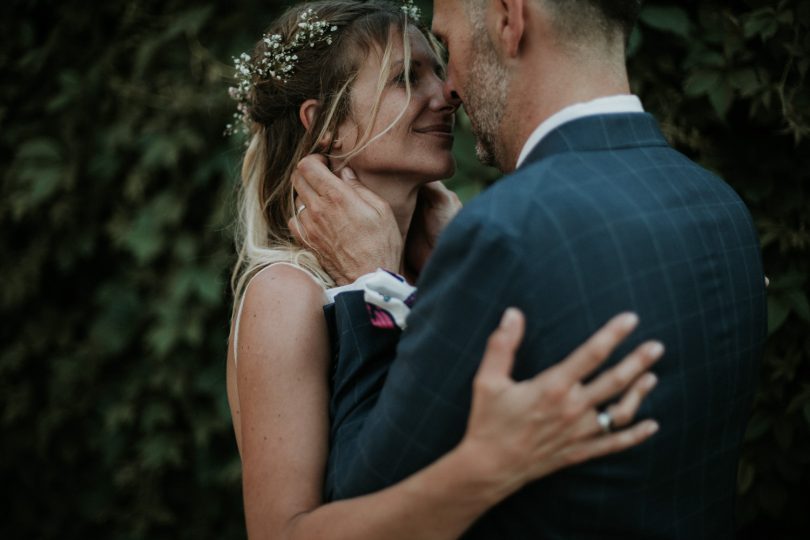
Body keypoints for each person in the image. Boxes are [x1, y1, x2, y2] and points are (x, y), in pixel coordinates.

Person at [291, 0, 768, 537]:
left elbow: (363, 493)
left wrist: (370, 284)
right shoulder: (721, 207)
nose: (450, 89)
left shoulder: (505, 233)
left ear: (509, 19)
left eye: (450, 45)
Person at [225, 1, 664, 538]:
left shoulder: (446, 259)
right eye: (406, 78)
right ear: (326, 126)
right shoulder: (287, 294)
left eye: (438, 67)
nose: (447, 93)